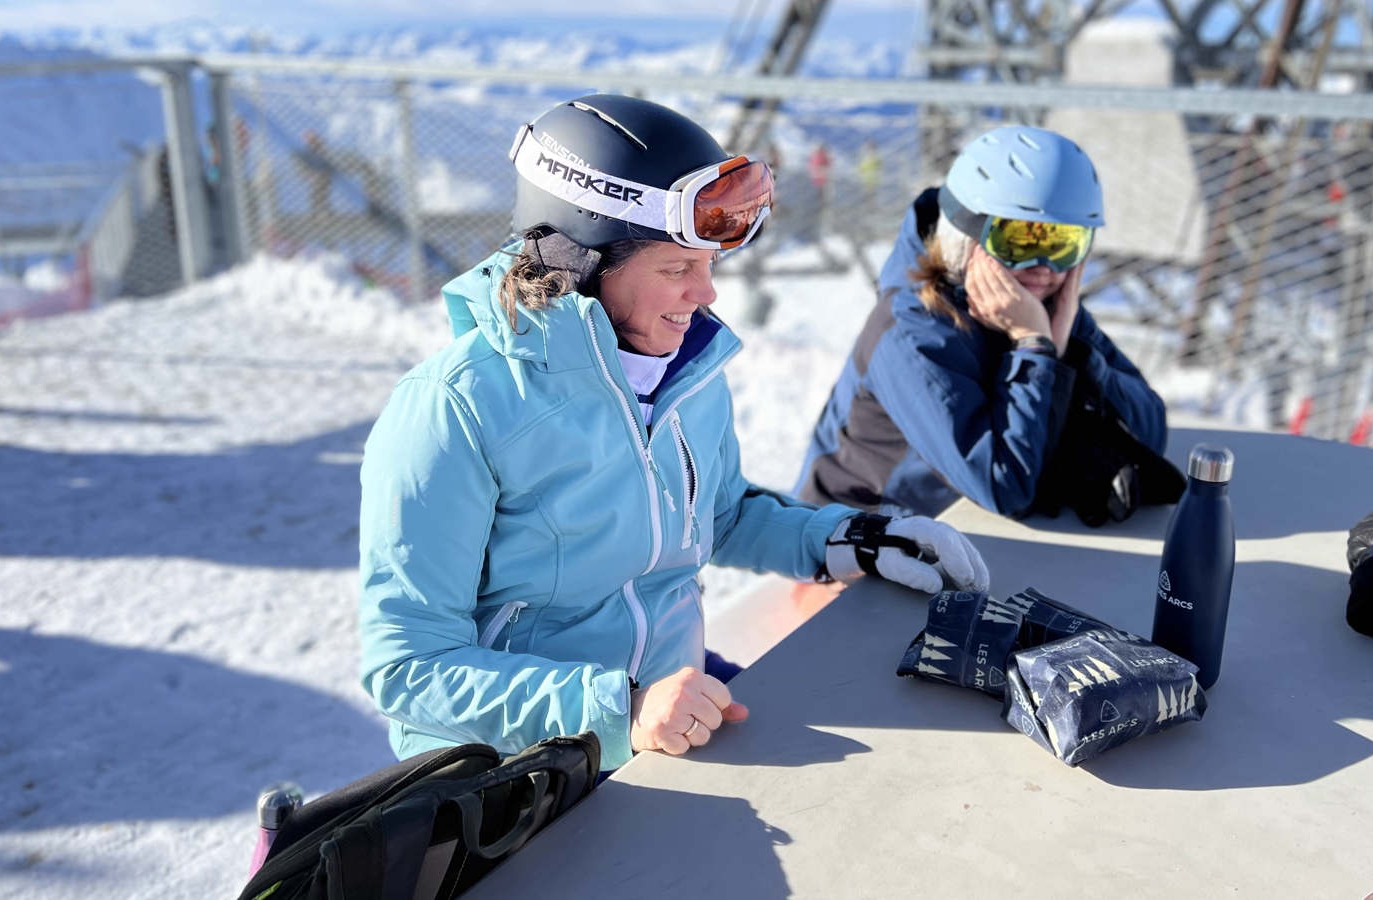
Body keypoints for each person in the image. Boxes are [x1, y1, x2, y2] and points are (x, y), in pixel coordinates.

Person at [356, 95, 988, 774]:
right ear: (581, 266)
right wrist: (618, 709)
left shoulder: (683, 372)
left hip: (672, 727)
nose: (707, 295)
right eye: (676, 269)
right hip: (522, 776)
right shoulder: (456, 407)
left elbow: (721, 513)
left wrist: (846, 538)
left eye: (709, 265)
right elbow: (408, 667)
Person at [795, 126, 1171, 522]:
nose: (1043, 266)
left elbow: (1151, 432)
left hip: (954, 532)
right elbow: (1004, 486)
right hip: (846, 542)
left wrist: (1070, 353)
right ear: (962, 235)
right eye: (1021, 241)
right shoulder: (912, 332)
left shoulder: (1040, 304)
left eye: (1063, 243)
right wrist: (1033, 346)